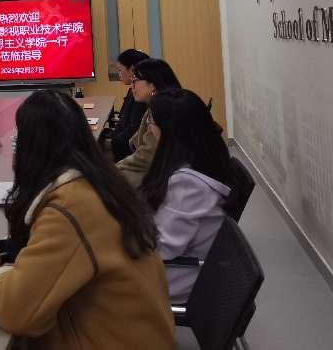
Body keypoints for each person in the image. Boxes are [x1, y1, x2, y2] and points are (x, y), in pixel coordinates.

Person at [0, 90, 174, 350]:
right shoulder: (100, 182)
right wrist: (6, 249)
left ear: (30, 148)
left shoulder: (69, 206)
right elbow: (71, 249)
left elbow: (16, 311)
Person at [140, 88, 234, 303]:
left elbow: (162, 250)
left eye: (152, 123)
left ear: (168, 132)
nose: (150, 129)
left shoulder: (188, 185)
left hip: (172, 280)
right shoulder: (201, 160)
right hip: (174, 268)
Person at [116, 58, 181, 188]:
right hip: (154, 168)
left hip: (159, 174)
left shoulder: (162, 110)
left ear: (152, 84)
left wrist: (115, 168)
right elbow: (136, 142)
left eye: (135, 81)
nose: (132, 86)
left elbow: (148, 156)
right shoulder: (155, 105)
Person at [98, 48, 150, 161]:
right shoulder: (134, 89)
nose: (118, 74)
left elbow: (133, 130)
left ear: (132, 69)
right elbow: (124, 123)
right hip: (122, 144)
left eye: (120, 70)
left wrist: (109, 143)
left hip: (127, 150)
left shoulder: (142, 96)